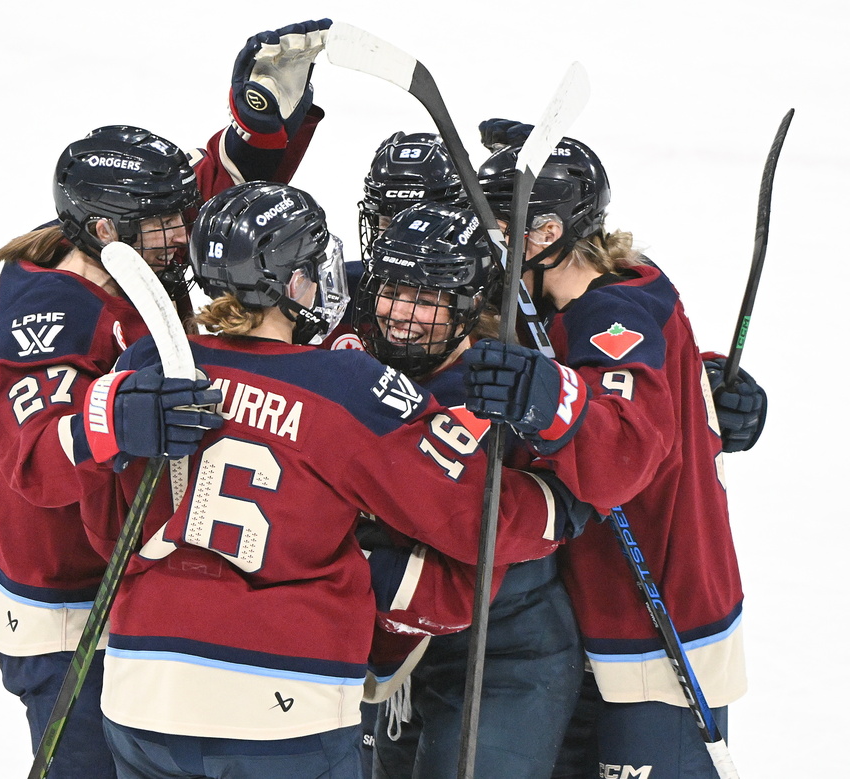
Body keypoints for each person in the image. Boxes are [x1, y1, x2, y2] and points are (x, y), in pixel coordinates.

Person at [72, 181, 596, 779]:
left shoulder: (146, 366)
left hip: (145, 690)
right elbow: (474, 518)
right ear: (292, 282)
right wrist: (562, 505)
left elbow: (107, 528)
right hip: (286, 703)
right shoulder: (347, 385)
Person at [0, 20, 331, 776]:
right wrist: (120, 417)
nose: (185, 234)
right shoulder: (51, 307)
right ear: (105, 227)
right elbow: (32, 456)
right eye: (166, 223)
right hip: (66, 595)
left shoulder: (129, 241)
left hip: (134, 577)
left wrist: (264, 125)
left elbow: (218, 196)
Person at [463, 123, 759, 779]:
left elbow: (618, 463)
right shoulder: (621, 279)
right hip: (599, 612)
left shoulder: (611, 313)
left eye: (523, 227)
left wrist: (545, 396)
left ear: (560, 234)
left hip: (656, 628)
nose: (501, 245)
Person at [351, 198, 586, 779]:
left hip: (505, 647)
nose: (402, 312)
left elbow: (622, 436)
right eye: (394, 290)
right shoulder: (354, 352)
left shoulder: (501, 384)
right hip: (400, 643)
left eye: (429, 298)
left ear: (473, 305)